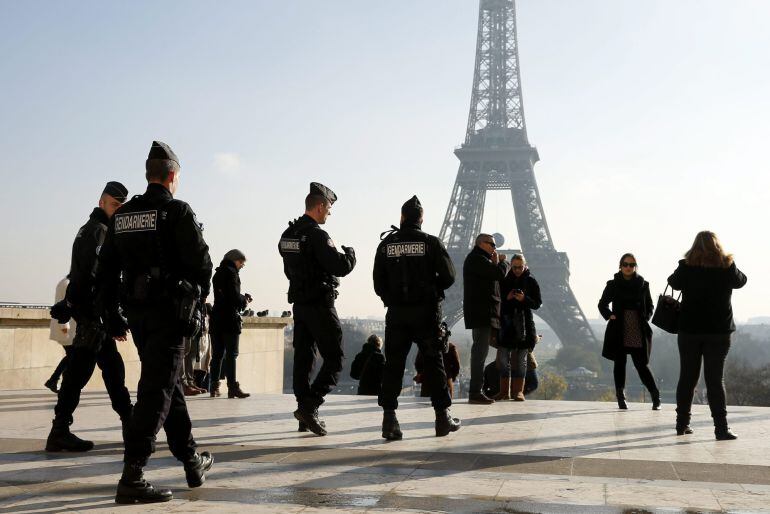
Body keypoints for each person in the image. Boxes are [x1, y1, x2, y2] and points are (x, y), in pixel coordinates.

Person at [99, 141, 213, 503]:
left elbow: (105, 273)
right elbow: (202, 266)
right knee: (156, 391)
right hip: (169, 315)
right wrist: (194, 304)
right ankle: (132, 475)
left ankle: (191, 459)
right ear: (173, 176)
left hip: (137, 315)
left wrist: (111, 315)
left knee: (168, 384)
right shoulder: (177, 212)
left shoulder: (122, 216)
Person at [47, 182, 133, 453]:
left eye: (121, 206)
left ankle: (61, 430)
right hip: (95, 316)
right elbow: (92, 277)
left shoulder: (94, 230)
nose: (117, 210)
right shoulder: (98, 232)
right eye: (114, 205)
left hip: (94, 315)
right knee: (87, 373)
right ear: (102, 203)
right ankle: (129, 427)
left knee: (100, 371)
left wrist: (70, 302)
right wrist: (110, 315)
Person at [374, 195, 460, 440]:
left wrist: (392, 299)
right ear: (421, 219)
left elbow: (378, 283)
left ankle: (389, 419)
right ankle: (442, 417)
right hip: (426, 312)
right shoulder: (431, 243)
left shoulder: (386, 245)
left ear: (401, 218)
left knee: (393, 365)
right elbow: (450, 277)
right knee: (434, 364)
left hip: (398, 313)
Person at [278, 182, 356, 436]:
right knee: (335, 359)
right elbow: (340, 266)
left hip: (299, 305)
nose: (330, 213)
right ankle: (310, 407)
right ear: (320, 206)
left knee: (303, 360)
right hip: (321, 305)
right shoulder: (318, 235)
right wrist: (351, 254)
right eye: (329, 208)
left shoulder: (287, 234)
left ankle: (304, 412)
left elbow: (289, 266)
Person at [668, 231, 747, 440]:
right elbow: (741, 281)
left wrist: (684, 264)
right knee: (714, 380)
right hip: (718, 332)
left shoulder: (687, 266)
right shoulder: (726, 266)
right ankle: (721, 428)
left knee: (687, 378)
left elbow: (673, 282)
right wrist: (729, 262)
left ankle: (682, 424)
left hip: (689, 330)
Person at [599, 253, 660, 411]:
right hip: (619, 327)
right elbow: (602, 304)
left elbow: (650, 305)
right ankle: (621, 397)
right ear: (620, 265)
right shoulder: (612, 284)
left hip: (637, 326)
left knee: (641, 365)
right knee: (620, 363)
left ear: (635, 267)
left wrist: (645, 317)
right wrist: (609, 315)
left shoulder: (643, 284)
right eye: (625, 264)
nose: (628, 267)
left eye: (631, 265)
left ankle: (655, 396)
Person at [463, 233, 508, 404]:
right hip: (482, 313)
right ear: (481, 243)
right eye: (492, 244)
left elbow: (493, 277)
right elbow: (498, 274)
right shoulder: (476, 259)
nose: (494, 248)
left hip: (483, 312)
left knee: (480, 353)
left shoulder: (480, 259)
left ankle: (476, 390)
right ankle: (475, 392)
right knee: (479, 353)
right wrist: (503, 262)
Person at [497, 254, 542, 401]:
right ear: (510, 265)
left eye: (520, 267)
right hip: (507, 323)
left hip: (524, 324)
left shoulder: (531, 281)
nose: (517, 270)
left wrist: (524, 299)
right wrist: (508, 298)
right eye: (515, 267)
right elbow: (498, 301)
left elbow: (537, 303)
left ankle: (518, 391)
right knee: (503, 358)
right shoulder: (504, 281)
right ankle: (504, 391)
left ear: (525, 265)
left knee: (522, 359)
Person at [209, 249, 252, 399]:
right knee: (232, 354)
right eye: (241, 262)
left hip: (216, 318)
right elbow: (233, 296)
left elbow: (223, 294)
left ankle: (213, 386)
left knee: (217, 355)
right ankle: (232, 387)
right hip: (229, 319)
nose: (242, 266)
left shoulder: (218, 273)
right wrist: (244, 300)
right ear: (235, 260)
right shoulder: (232, 273)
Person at [45, 275, 76, 393]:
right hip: (64, 327)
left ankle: (57, 381)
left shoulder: (63, 282)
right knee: (72, 356)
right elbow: (65, 305)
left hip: (62, 325)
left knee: (71, 356)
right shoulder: (69, 284)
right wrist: (65, 327)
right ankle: (54, 380)